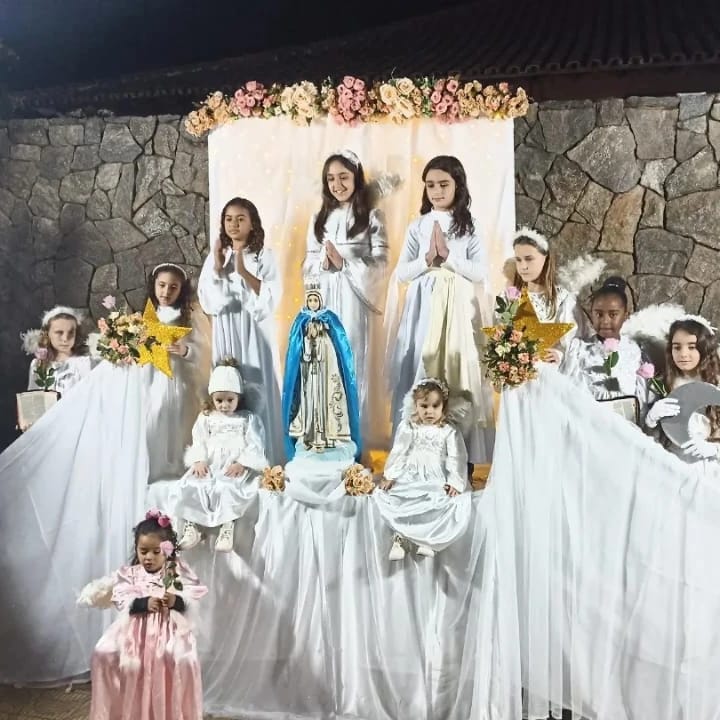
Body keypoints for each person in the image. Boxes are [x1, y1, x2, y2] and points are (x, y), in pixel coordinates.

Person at [385, 155, 494, 468]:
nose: (436, 191)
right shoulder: (418, 226)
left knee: (456, 367)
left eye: (444, 184)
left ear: (458, 185)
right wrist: (427, 260)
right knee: (424, 359)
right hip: (423, 307)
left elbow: (480, 272)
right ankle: (416, 455)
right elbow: (401, 273)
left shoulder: (470, 226)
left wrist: (448, 259)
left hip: (458, 308)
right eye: (430, 185)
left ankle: (461, 455)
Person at [89, 511, 207, 720]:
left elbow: (192, 595)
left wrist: (175, 601)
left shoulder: (176, 571)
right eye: (143, 551)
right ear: (136, 548)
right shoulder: (131, 573)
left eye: (155, 552)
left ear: (167, 550)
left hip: (169, 632)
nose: (148, 557)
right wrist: (143, 603)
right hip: (134, 634)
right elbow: (121, 597)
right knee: (104, 652)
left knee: (182, 661)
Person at [303, 150, 388, 426]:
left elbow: (382, 264)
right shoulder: (318, 218)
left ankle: (354, 429)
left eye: (343, 177)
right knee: (324, 358)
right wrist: (323, 264)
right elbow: (307, 265)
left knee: (352, 356)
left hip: (355, 299)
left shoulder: (372, 217)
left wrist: (346, 264)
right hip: (326, 298)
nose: (337, 185)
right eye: (331, 179)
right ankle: (327, 428)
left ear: (356, 178)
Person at [198, 197, 283, 464]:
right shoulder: (216, 256)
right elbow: (208, 301)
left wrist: (243, 271)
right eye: (228, 219)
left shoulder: (264, 256)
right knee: (227, 381)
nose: (233, 224)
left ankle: (261, 455)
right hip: (227, 327)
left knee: (255, 380)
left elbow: (271, 297)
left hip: (253, 330)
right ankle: (226, 457)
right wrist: (217, 268)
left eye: (240, 218)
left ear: (252, 223)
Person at [374, 378, 472, 560]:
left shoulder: (449, 430)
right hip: (410, 472)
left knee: (437, 498)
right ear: (416, 406)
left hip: (436, 474)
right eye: (424, 406)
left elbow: (456, 457)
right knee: (401, 497)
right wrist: (391, 475)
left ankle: (427, 539)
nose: (429, 411)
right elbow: (400, 451)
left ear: (443, 406)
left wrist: (455, 481)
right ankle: (400, 538)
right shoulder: (409, 427)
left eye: (435, 406)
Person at [175, 362, 267, 553]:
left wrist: (243, 463)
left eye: (230, 400)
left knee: (227, 487)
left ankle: (227, 526)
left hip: (233, 465)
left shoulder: (247, 418)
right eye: (219, 400)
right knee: (193, 484)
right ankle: (192, 527)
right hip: (210, 464)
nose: (224, 405)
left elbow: (255, 443)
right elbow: (199, 440)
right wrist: (199, 459)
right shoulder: (206, 417)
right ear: (212, 398)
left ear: (238, 397)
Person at [142, 263, 211, 483]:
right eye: (161, 285)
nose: (166, 292)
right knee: (154, 416)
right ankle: (153, 466)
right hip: (152, 377)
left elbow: (206, 347)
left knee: (178, 419)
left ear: (181, 289)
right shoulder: (149, 315)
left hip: (179, 379)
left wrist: (187, 350)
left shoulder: (189, 315)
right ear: (154, 285)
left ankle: (178, 466)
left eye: (173, 287)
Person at [282, 284, 361, 460]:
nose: (312, 303)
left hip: (325, 372)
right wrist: (307, 343)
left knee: (325, 401)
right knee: (310, 402)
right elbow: (296, 349)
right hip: (309, 373)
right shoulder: (301, 320)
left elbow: (336, 346)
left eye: (315, 300)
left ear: (320, 301)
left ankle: (326, 437)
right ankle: (310, 437)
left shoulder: (329, 319)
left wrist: (322, 340)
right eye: (310, 300)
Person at [563, 276, 651, 419]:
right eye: (598, 314)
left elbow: (642, 399)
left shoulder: (635, 352)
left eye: (613, 314)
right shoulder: (580, 350)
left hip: (627, 425)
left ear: (625, 315)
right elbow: (570, 391)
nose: (605, 321)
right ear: (591, 313)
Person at [644, 316, 720, 467]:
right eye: (677, 347)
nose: (683, 354)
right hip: (672, 463)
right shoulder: (661, 383)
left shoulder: (717, 381)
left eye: (691, 347)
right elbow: (648, 438)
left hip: (709, 465)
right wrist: (651, 420)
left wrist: (714, 448)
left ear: (704, 347)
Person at [511, 227, 591, 364]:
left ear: (545, 258)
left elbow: (577, 340)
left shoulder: (563, 299)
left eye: (529, 259)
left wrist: (560, 355)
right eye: (518, 260)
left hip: (550, 369)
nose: (523, 266)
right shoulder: (510, 297)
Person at [21, 306, 93, 395]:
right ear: (47, 334)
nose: (65, 339)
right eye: (59, 332)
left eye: (71, 332)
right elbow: (33, 397)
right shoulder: (37, 365)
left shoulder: (84, 363)